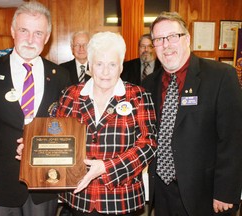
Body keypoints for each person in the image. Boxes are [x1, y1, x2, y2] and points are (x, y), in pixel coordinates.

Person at [0, 1, 70, 216]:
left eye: (38, 33)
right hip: (1, 182)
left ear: (47, 38)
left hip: (46, 183)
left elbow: (66, 131)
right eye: (24, 30)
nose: (31, 39)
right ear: (13, 31)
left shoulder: (60, 76)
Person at [143, 11, 242, 216]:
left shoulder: (221, 76)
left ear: (187, 39)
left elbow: (233, 139)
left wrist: (226, 191)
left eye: (172, 37)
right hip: (162, 191)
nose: (166, 45)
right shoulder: (148, 84)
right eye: (159, 40)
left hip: (206, 195)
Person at [56, 31, 157, 215]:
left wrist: (106, 167)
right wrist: (34, 146)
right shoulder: (71, 95)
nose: (105, 71)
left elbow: (148, 144)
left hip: (122, 198)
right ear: (90, 65)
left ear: (121, 67)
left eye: (112, 64)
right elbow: (57, 136)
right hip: (80, 196)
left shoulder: (138, 96)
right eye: (99, 64)